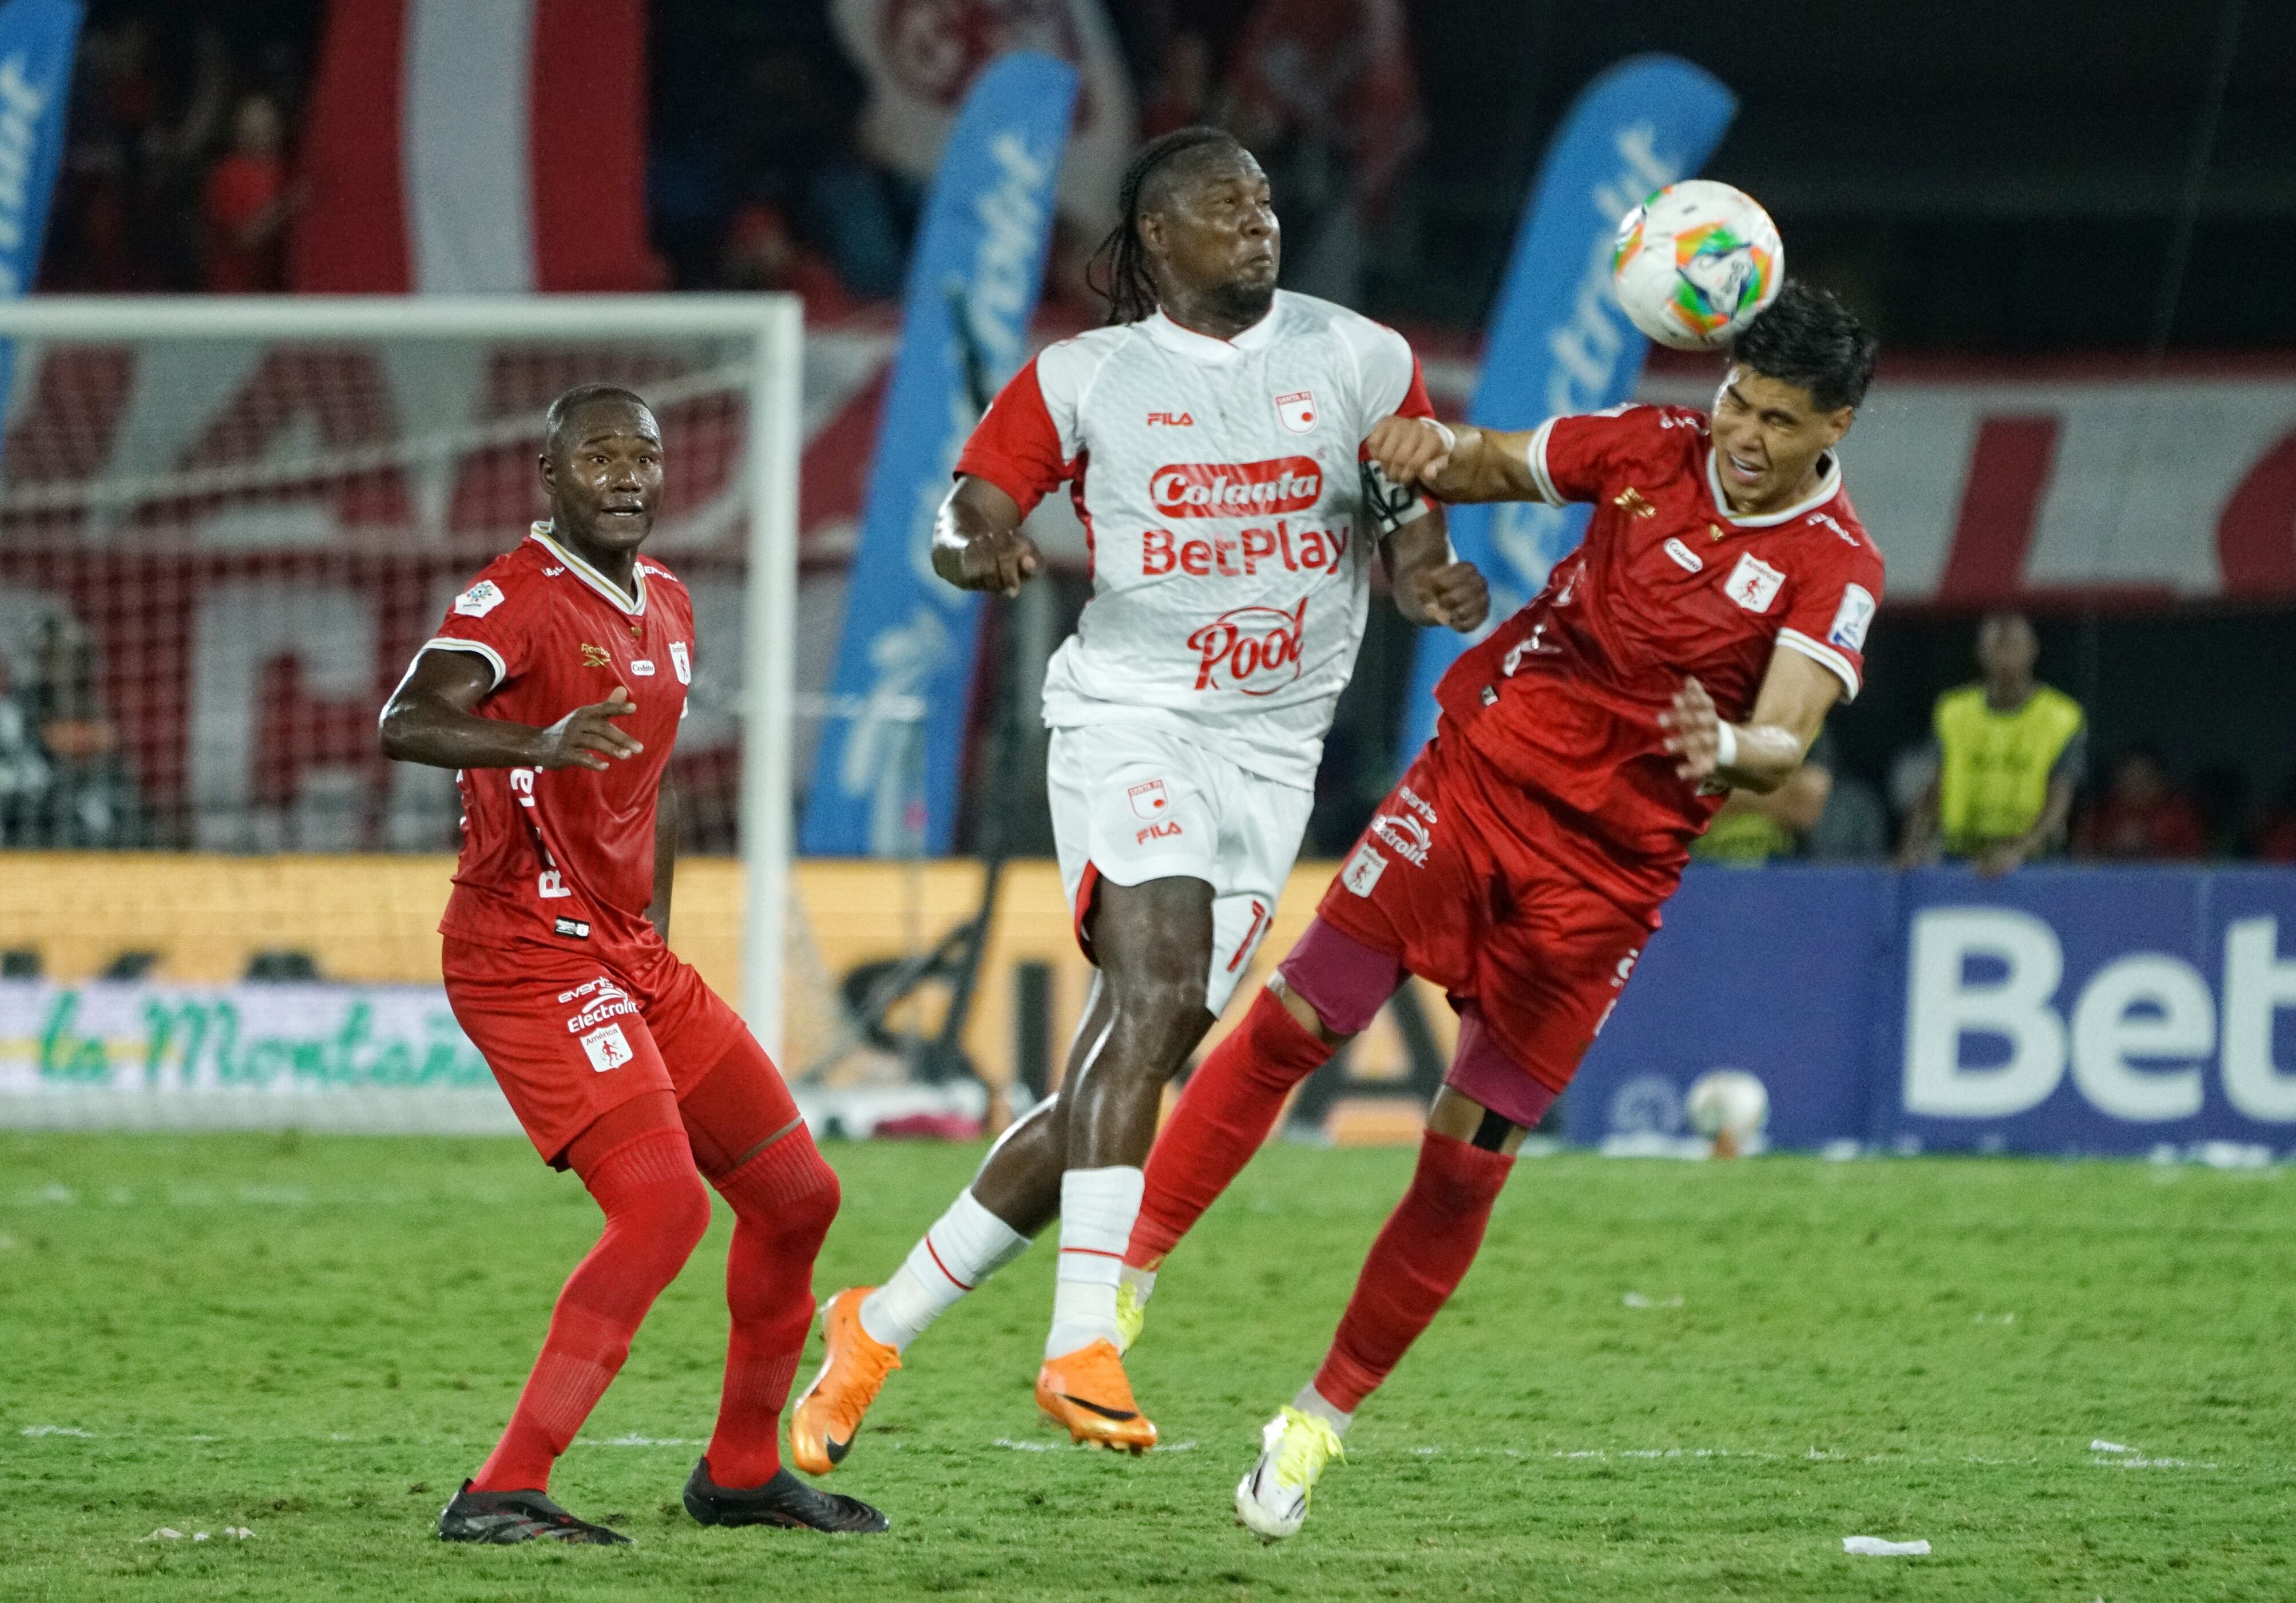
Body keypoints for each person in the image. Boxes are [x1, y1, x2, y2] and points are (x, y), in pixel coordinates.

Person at [1109, 280, 1882, 1537]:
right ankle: (1126, 1270)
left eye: (1778, 419)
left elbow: (1785, 736)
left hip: (1605, 880)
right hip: (1478, 780)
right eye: (1737, 400)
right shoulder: (1646, 446)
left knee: (1465, 1160)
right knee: (1299, 1017)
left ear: (1833, 427)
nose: (1743, 433)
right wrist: (1430, 449)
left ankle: (1316, 1419)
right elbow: (1494, 462)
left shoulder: (1836, 566)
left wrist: (1729, 747)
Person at [791, 126, 1489, 1466]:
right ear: (1157, 237)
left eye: (1265, 200)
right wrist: (979, 543)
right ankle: (1079, 1344)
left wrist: (1432, 583)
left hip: (1272, 758)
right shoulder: (1084, 376)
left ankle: (873, 1326)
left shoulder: (1361, 358)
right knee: (1155, 988)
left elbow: (1409, 539)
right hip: (1132, 721)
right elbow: (963, 509)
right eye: (1226, 205)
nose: (1259, 220)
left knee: (1118, 1075)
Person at [378, 384, 886, 1544]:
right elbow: (407, 719)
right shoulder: (514, 596)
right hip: (523, 951)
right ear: (548, 477)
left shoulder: (667, 600)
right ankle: (502, 1488)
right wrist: (533, 743)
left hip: (628, 952)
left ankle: (741, 1473)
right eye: (597, 455)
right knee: (661, 1210)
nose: (624, 474)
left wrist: (641, 916)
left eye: (643, 456)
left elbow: (638, 792)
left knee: (798, 1198)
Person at [1896, 613, 2083, 875]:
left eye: (2013, 645)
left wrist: (2018, 851)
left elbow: (2060, 801)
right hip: (1961, 856)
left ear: (2033, 650)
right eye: (1996, 646)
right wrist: (1914, 844)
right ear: (1980, 653)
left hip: (2035, 862)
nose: (2005, 656)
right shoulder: (1953, 712)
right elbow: (1933, 788)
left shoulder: (2062, 716)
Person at [202, 93, 298, 293]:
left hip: (285, 290)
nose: (260, 132)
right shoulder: (226, 175)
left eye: (266, 125)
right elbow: (245, 239)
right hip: (238, 295)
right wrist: (288, 206)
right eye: (252, 127)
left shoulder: (290, 169)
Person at [2075, 747, 2206, 861]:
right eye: (2130, 778)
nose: (2137, 786)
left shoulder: (2179, 816)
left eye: (2145, 779)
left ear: (2160, 780)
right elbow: (2081, 860)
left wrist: (2149, 847)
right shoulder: (2100, 816)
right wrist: (2116, 849)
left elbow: (2195, 863)